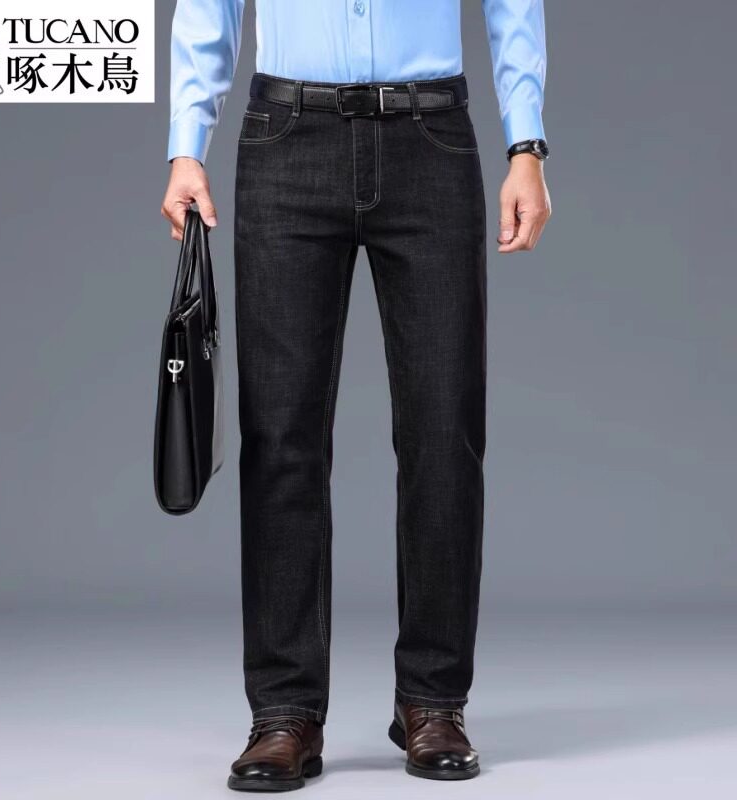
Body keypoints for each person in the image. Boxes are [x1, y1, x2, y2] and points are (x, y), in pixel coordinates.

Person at [161, 0, 551, 790]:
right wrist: (185, 145)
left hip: (430, 135)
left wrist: (527, 144)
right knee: (280, 437)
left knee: (445, 431)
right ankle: (284, 711)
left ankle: (433, 701)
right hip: (286, 136)